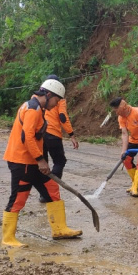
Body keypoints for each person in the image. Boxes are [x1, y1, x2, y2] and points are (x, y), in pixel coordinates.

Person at [1, 79, 82, 247]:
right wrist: (41, 160)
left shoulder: (37, 107)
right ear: (49, 95)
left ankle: (60, 229)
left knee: (52, 189)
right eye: (56, 101)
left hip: (33, 161)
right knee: (18, 199)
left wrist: (40, 159)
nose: (56, 105)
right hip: (22, 161)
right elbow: (27, 137)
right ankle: (8, 238)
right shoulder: (33, 109)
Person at [38, 74, 79, 203]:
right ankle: (50, 190)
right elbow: (62, 117)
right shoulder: (60, 99)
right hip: (53, 134)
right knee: (60, 161)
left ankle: (43, 194)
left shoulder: (39, 97)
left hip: (40, 133)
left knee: (43, 164)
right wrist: (71, 134)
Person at [110, 97, 138, 198]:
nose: (116, 113)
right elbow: (125, 134)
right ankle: (137, 184)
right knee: (126, 159)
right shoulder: (121, 118)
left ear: (123, 107)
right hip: (133, 140)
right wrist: (123, 151)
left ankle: (134, 187)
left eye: (117, 110)